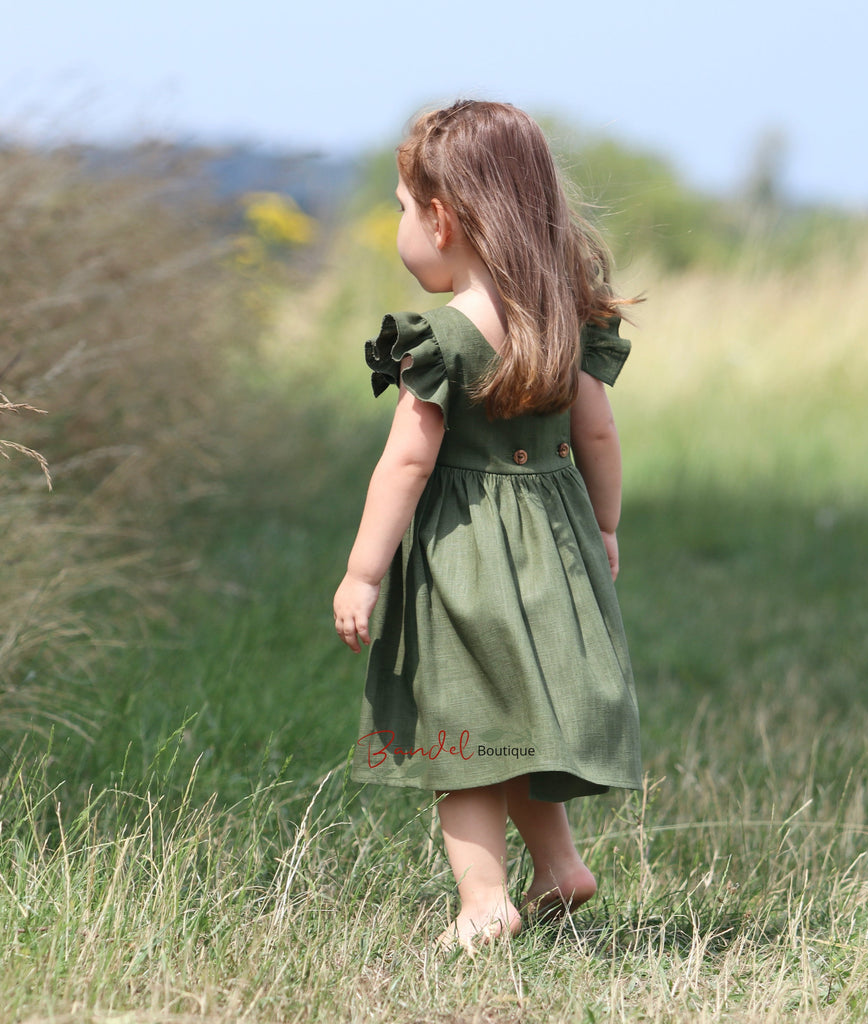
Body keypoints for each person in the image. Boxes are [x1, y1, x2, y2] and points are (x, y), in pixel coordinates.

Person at [333, 100, 642, 954]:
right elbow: (599, 436)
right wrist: (605, 527)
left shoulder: (442, 338)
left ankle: (484, 900)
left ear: (443, 219)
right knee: (523, 713)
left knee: (460, 727)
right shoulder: (565, 318)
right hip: (556, 538)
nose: (401, 224)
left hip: (463, 553)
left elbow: (406, 463)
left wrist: (364, 571)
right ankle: (561, 868)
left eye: (401, 208)